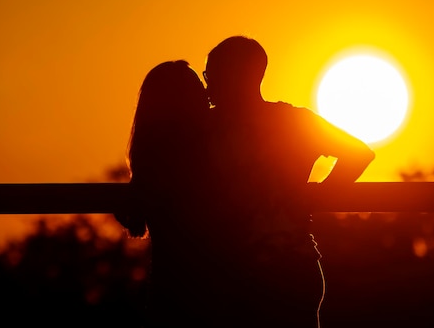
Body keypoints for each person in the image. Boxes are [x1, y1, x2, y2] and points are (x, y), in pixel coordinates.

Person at [202, 35, 376, 328]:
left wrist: (318, 195)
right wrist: (319, 196)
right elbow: (359, 154)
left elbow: (361, 153)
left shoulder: (205, 129)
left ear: (234, 75)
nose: (209, 85)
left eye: (212, 74)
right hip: (292, 266)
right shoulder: (293, 121)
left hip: (236, 275)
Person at [115, 60, 215, 328]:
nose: (207, 93)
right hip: (206, 291)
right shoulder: (199, 155)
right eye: (198, 87)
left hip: (167, 288)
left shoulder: (151, 160)